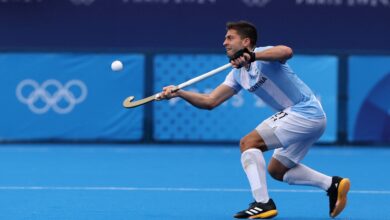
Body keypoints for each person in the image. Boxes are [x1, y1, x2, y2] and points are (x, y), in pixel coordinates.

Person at [159, 20, 350, 219]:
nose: (224, 42)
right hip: (307, 118)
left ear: (246, 41)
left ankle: (263, 203)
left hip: (305, 112)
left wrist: (253, 55)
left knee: (249, 143)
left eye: (230, 38)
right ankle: (332, 184)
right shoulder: (237, 74)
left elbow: (286, 51)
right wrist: (180, 93)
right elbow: (210, 101)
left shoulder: (263, 55)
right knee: (278, 170)